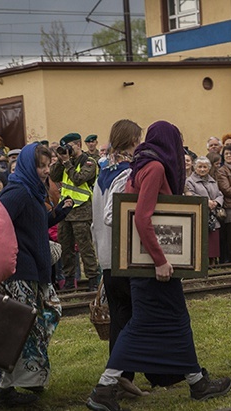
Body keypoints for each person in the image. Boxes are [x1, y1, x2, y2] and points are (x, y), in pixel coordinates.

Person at [86, 121, 231, 411]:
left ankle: (196, 381)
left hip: (145, 263)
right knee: (140, 324)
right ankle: (104, 388)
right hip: (155, 264)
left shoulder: (140, 166)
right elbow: (141, 218)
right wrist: (161, 260)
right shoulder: (154, 168)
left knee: (177, 320)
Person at [0, 142, 72, 408]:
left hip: (34, 272)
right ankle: (5, 392)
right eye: (40, 166)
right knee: (18, 330)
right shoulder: (18, 191)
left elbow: (33, 224)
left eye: (47, 165)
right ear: (30, 165)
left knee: (43, 319)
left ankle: (30, 376)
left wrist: (60, 213)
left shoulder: (32, 190)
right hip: (19, 273)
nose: (45, 171)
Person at [91, 119, 142, 362]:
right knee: (128, 317)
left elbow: (95, 221)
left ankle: (122, 372)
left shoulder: (103, 174)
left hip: (106, 253)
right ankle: (120, 372)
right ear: (133, 141)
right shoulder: (125, 174)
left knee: (119, 318)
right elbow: (114, 216)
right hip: (122, 253)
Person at [50, 133, 99, 290]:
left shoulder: (89, 162)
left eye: (70, 146)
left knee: (85, 247)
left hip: (82, 210)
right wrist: (61, 159)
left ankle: (92, 278)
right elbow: (53, 176)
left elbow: (79, 179)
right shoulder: (65, 162)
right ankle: (69, 279)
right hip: (65, 210)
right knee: (66, 247)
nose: (68, 150)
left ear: (79, 145)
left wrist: (67, 163)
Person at [185, 156, 224, 265]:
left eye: (205, 167)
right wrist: (206, 202)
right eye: (200, 167)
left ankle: (213, 261)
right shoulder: (189, 181)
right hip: (199, 215)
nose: (202, 169)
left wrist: (216, 202)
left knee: (213, 239)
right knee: (201, 240)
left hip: (212, 216)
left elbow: (220, 194)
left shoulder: (212, 181)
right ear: (195, 167)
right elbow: (190, 195)